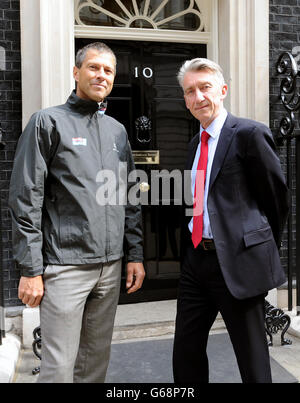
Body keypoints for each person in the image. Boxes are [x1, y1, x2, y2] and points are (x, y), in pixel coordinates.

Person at [9, 42, 145, 383]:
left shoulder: (117, 131)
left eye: (108, 70)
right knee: (58, 368)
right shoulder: (46, 122)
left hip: (111, 267)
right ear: (76, 72)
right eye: (94, 67)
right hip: (64, 266)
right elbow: (27, 198)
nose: (101, 75)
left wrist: (135, 254)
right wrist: (30, 269)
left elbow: (129, 196)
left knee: (95, 365)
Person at [172, 58, 289, 383]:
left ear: (222, 91)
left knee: (251, 358)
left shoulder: (249, 134)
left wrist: (257, 249)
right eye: (190, 91)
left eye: (204, 88)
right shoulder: (195, 144)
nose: (198, 97)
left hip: (237, 262)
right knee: (185, 352)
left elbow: (276, 199)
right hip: (197, 264)